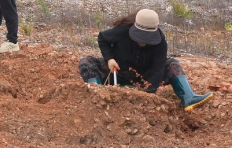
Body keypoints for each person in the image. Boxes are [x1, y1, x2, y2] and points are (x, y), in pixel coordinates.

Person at [78, 8, 213, 111]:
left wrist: (149, 93)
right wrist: (109, 59)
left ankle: (188, 97)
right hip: (118, 73)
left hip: (144, 78)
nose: (142, 42)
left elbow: (158, 68)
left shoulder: (160, 41)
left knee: (172, 64)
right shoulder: (122, 31)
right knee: (86, 62)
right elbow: (102, 38)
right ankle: (98, 95)